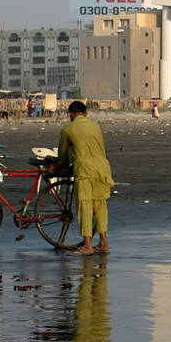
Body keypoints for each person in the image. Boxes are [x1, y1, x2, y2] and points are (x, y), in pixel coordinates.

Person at [57, 100, 114, 255]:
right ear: (86, 114)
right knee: (100, 206)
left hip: (85, 170)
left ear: (70, 114)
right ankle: (103, 243)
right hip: (102, 168)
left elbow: (62, 156)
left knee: (85, 206)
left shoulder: (68, 129)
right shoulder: (95, 126)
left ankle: (87, 246)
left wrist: (55, 167)